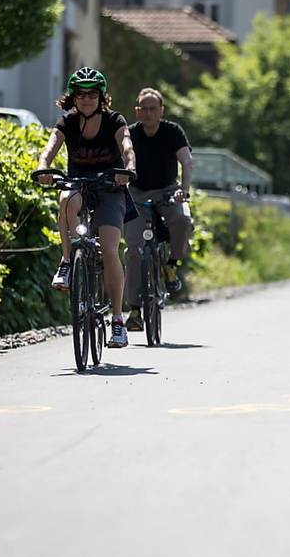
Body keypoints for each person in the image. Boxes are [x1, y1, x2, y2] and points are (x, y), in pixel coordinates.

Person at [36, 67, 136, 348]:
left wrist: (128, 168)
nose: (87, 99)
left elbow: (127, 145)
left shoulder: (114, 120)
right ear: (74, 98)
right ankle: (68, 261)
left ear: (101, 96)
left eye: (93, 94)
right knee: (67, 197)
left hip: (110, 187)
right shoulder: (67, 122)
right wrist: (43, 167)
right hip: (79, 184)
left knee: (110, 250)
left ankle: (117, 321)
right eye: (81, 94)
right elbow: (50, 147)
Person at [124, 87, 194, 332]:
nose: (148, 113)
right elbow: (121, 158)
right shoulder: (129, 134)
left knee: (183, 220)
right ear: (137, 111)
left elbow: (186, 160)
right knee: (133, 249)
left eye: (153, 109)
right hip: (136, 193)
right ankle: (134, 309)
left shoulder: (172, 131)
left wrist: (183, 191)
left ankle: (172, 265)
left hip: (168, 191)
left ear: (161, 111)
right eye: (143, 108)